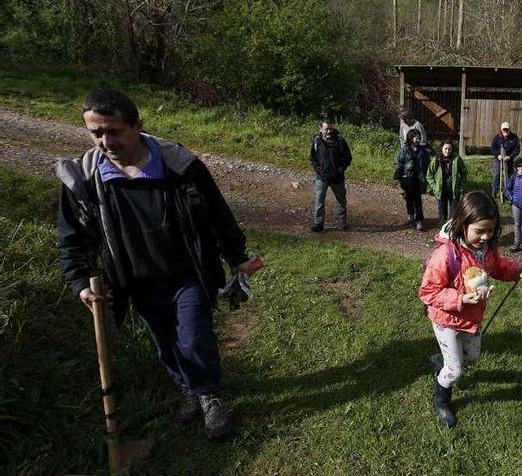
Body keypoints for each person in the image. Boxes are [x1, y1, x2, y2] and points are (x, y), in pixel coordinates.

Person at [55, 89, 260, 440]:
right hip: (136, 280)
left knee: (194, 339)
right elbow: (71, 236)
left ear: (136, 126)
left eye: (114, 131)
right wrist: (79, 282)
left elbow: (217, 212)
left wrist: (237, 256)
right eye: (96, 132)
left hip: (187, 272)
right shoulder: (85, 179)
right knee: (166, 345)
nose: (105, 140)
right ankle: (189, 389)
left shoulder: (180, 165)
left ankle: (210, 396)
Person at [419, 191, 522, 428]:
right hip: (446, 319)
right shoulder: (446, 254)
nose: (485, 236)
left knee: (472, 358)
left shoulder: (486, 249)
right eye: (479, 231)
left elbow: (497, 266)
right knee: (455, 371)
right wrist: (459, 299)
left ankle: (442, 360)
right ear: (462, 223)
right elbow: (428, 292)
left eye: (490, 230)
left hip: (472, 318)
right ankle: (442, 400)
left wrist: (516, 271)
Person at [310, 118, 352, 232]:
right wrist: (318, 170)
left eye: (330, 129)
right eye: (326, 129)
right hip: (322, 177)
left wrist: (340, 170)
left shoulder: (340, 140)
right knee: (319, 201)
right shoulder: (316, 141)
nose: (328, 131)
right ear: (320, 129)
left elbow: (348, 157)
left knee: (341, 200)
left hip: (337, 177)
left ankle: (343, 222)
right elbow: (313, 158)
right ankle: (318, 224)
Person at [394, 129, 432, 230]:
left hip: (419, 178)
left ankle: (419, 219)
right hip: (407, 178)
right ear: (411, 138)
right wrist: (398, 174)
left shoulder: (423, 151)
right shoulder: (405, 149)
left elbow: (428, 163)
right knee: (409, 198)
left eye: (419, 138)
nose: (418, 140)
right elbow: (398, 162)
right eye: (416, 138)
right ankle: (410, 215)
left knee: (418, 199)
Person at [426, 141, 468, 223]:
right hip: (441, 190)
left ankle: (452, 231)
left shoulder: (457, 159)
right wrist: (434, 186)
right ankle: (442, 230)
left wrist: (461, 185)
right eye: (445, 149)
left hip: (454, 190)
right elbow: (429, 175)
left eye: (449, 149)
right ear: (442, 149)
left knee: (454, 214)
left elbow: (464, 172)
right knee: (442, 214)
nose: (447, 151)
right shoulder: (436, 160)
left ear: (452, 150)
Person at [489, 121, 520, 198]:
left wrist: (510, 156)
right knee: (496, 175)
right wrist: (497, 155)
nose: (505, 131)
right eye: (504, 129)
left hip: (509, 159)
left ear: (509, 129)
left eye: (507, 129)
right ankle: (494, 193)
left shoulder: (514, 138)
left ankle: (508, 193)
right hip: (499, 159)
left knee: (509, 176)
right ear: (501, 129)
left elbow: (517, 149)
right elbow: (493, 148)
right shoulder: (497, 137)